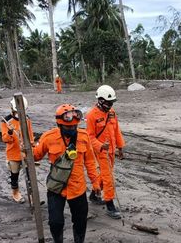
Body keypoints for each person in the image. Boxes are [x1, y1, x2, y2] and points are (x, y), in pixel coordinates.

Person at [33, 104, 100, 243]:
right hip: (56, 188)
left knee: (80, 222)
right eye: (69, 127)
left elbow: (90, 162)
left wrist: (95, 182)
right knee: (55, 223)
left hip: (78, 188)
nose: (72, 129)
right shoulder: (48, 137)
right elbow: (35, 156)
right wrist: (27, 149)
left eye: (75, 126)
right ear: (59, 125)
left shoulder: (84, 136)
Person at [86, 85, 125, 219]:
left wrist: (120, 148)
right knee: (108, 179)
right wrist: (101, 146)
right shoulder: (92, 115)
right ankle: (110, 206)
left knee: (103, 175)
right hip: (101, 152)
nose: (110, 105)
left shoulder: (112, 113)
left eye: (112, 102)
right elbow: (89, 137)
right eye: (109, 102)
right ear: (101, 100)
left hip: (112, 151)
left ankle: (93, 195)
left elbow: (117, 131)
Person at [0, 96, 34, 203]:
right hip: (13, 153)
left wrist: (31, 147)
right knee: (14, 174)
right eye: (16, 111)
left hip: (26, 152)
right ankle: (15, 193)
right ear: (12, 109)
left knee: (30, 175)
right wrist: (10, 132)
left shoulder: (27, 119)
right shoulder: (6, 121)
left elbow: (30, 135)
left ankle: (33, 196)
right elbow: (5, 139)